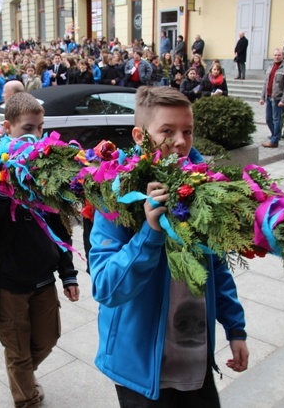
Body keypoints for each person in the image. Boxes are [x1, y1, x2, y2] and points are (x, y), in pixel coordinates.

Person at [89, 86, 248, 406]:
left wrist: (235, 327)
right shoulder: (117, 197)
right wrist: (149, 234)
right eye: (167, 130)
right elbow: (106, 287)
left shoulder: (202, 189)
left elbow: (215, 267)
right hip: (141, 369)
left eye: (187, 131)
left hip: (194, 359)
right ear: (139, 136)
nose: (180, 141)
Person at [0, 92, 80, 408]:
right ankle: (27, 398)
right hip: (6, 284)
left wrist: (68, 273)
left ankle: (23, 374)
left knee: (47, 340)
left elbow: (58, 225)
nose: (36, 136)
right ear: (7, 128)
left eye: (40, 128)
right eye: (28, 128)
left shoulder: (44, 168)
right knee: (17, 351)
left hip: (42, 279)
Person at [260, 49, 284, 148]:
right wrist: (262, 97)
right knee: (268, 119)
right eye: (275, 55)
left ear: (283, 56)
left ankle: (274, 141)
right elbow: (266, 83)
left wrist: (283, 100)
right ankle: (275, 136)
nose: (277, 57)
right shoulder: (270, 66)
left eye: (279, 55)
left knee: (276, 120)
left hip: (277, 98)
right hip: (269, 97)